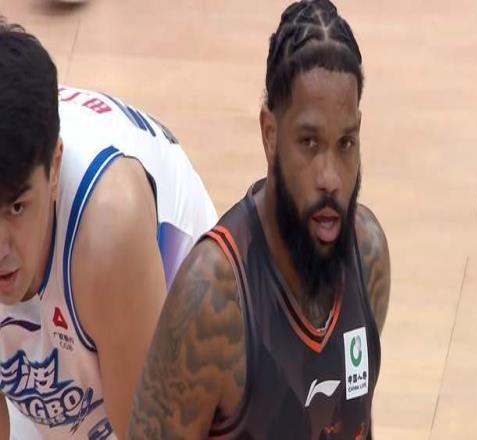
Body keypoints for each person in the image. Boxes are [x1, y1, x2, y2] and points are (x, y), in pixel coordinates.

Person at [128, 0, 390, 439]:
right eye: (309, 143)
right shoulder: (212, 299)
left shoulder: (368, 256)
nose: (330, 178)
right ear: (270, 134)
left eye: (345, 144)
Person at [0, 18, 217, 440]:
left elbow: (150, 433)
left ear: (54, 168)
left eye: (17, 207)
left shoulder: (110, 226)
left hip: (160, 307)